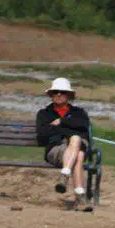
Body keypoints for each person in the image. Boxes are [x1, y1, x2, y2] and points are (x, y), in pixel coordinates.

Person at [36, 78, 91, 208]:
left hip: (76, 147)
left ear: (69, 95)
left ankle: (64, 176)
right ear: (51, 94)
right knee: (78, 152)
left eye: (63, 92)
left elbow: (83, 125)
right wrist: (70, 128)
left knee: (76, 141)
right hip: (56, 150)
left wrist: (61, 122)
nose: (59, 94)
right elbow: (42, 134)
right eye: (55, 92)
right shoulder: (44, 113)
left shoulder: (79, 112)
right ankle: (80, 197)